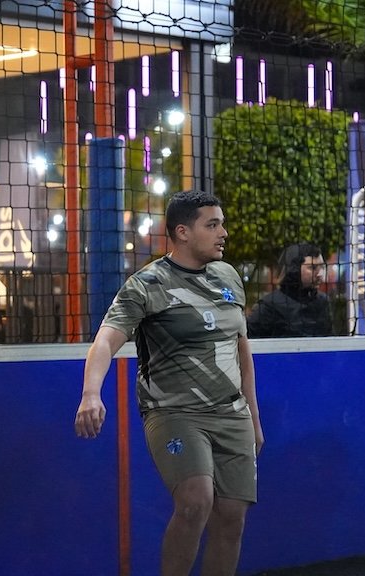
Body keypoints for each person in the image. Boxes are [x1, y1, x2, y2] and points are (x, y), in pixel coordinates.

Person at [75, 190, 263, 576]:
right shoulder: (147, 284)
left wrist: (254, 419)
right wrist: (91, 393)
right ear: (182, 232)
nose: (224, 233)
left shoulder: (228, 276)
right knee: (196, 500)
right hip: (174, 413)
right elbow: (105, 341)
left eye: (222, 224)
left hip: (233, 414)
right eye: (212, 225)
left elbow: (241, 351)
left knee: (232, 516)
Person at [246, 242, 333, 338]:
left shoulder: (322, 302)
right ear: (294, 268)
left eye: (322, 267)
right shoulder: (269, 306)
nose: (320, 274)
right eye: (313, 268)